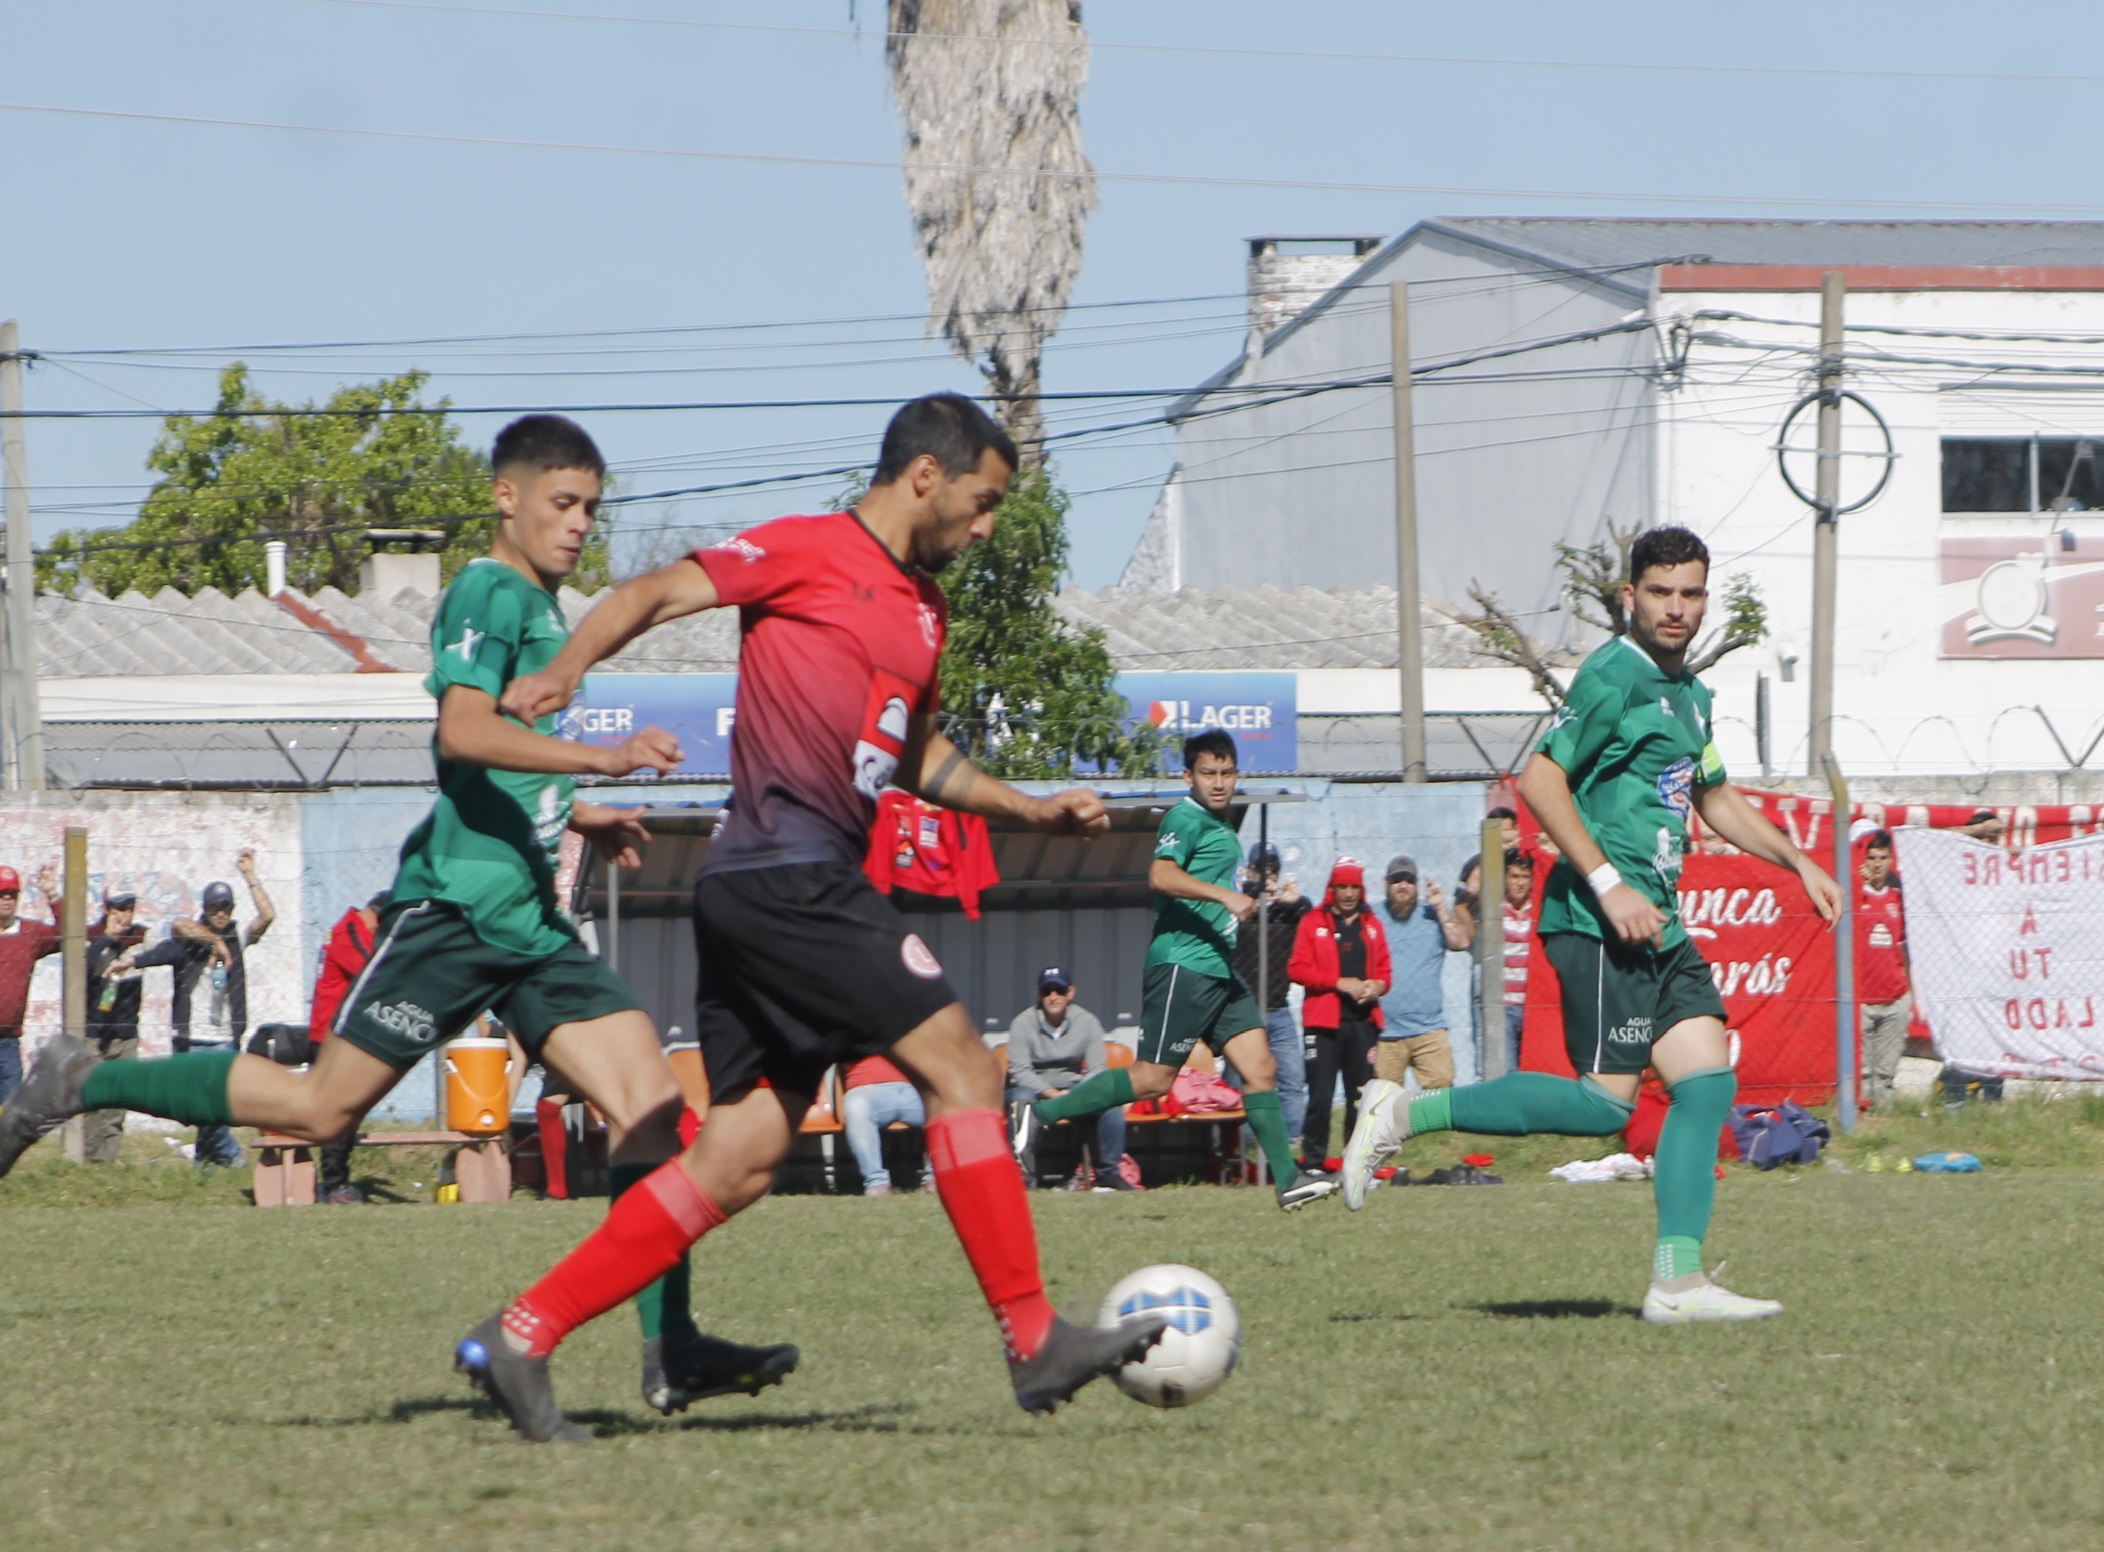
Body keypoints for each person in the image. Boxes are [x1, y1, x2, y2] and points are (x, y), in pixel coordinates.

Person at [0, 414, 797, 1436]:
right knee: (326, 1109)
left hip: (529, 925)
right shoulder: (486, 590)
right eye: (563, 503)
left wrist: (576, 810)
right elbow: (463, 732)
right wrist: (597, 762)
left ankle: (670, 1345)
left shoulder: (547, 607)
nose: (580, 525)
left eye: (593, 508)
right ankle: (80, 1076)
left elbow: (502, 757)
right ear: (506, 498)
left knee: (650, 1114)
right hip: (457, 912)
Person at [460, 393, 1167, 1435]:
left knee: (739, 1155)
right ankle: (1032, 1336)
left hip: (771, 888)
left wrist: (1028, 806)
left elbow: (916, 753)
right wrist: (567, 668)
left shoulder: (926, 610)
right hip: (789, 879)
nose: (986, 528)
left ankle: (521, 1333)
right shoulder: (802, 551)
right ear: (924, 475)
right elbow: (655, 590)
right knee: (967, 1067)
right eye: (982, 502)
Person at [1341, 525, 1841, 1323]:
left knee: (1707, 1081)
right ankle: (1400, 1110)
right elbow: (1540, 779)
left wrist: (1797, 860)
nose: (1676, 609)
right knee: (1605, 1106)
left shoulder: (1689, 694)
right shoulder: (1614, 675)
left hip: (1658, 922)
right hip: (1602, 918)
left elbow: (1712, 796)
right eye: (1660, 592)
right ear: (1629, 597)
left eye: (1690, 593)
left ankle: (1677, 1285)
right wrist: (1608, 885)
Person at [1026, 729, 1335, 1209]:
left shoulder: (1223, 827)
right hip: (1183, 965)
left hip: (1218, 970)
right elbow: (1161, 875)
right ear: (1187, 775)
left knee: (1261, 1068)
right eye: (1208, 773)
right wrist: (1227, 896)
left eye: (1226, 772)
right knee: (1152, 1079)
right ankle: (1042, 1114)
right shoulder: (1184, 817)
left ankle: (1289, 1179)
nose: (1218, 782)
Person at [164, 854, 276, 1168]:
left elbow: (267, 916)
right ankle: (223, 1154)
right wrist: (215, 943)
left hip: (224, 1035)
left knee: (215, 1102)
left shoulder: (238, 937)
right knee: (194, 1104)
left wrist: (250, 876)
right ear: (206, 909)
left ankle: (215, 1159)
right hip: (192, 1035)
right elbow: (177, 924)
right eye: (216, 907)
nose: (222, 913)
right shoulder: (191, 938)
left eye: (226, 907)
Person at [1289, 860, 1390, 1169]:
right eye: (1342, 887)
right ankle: (1315, 1161)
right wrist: (1337, 984)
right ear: (1331, 889)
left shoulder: (1372, 925)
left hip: (1363, 1023)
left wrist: (1377, 986)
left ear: (1362, 890)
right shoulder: (1312, 922)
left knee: (1361, 1097)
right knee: (1320, 1096)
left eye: (1354, 887)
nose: (1348, 894)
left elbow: (1386, 971)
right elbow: (1296, 969)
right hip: (1323, 1024)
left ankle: (1356, 1158)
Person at [1005, 967, 1131, 1191]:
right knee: (1020, 1100)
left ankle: (1108, 1173)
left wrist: (1077, 1094)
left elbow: (1096, 1068)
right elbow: (1020, 1071)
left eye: (1059, 991)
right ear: (1038, 994)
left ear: (1070, 993)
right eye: (1047, 991)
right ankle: (1023, 1176)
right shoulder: (1022, 1023)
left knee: (1111, 1102)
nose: (1053, 997)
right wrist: (1053, 1094)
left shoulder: (1087, 1021)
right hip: (1034, 1087)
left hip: (1074, 1086)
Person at [307, 891, 391, 1202]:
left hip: (341, 1036)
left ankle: (337, 1181)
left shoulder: (353, 929)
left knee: (348, 1112)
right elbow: (371, 975)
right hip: (332, 1036)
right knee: (338, 1112)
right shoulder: (350, 931)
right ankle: (333, 1186)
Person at [1229, 843, 1311, 1155]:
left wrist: (1296, 900)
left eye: (1272, 869)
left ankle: (1292, 1140)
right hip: (1243, 1010)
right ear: (1249, 870)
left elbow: (1314, 921)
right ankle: (1241, 1142)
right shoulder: (1239, 907)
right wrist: (1251, 895)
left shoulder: (1287, 912)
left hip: (1278, 1008)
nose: (1267, 874)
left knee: (1291, 1078)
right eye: (1260, 869)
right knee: (1239, 1080)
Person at [1369, 854, 1464, 1093]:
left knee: (1441, 1094)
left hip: (1429, 1030)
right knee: (1382, 1103)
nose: (1403, 885)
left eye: (1409, 880)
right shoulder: (1370, 917)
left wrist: (1441, 906)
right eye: (1397, 880)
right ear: (1386, 883)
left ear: (1417, 884)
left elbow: (1460, 942)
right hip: (1384, 1033)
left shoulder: (1432, 914)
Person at [1857, 831, 1911, 1111]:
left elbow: (1904, 947)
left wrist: (1907, 990)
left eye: (1883, 858)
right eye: (1871, 857)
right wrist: (1857, 885)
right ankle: (1863, 1126)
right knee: (1862, 1074)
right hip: (1862, 1000)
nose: (1877, 864)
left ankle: (1887, 1126)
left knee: (1885, 1075)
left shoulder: (1898, 900)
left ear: (1891, 861)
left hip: (1894, 997)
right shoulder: (1854, 898)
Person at [0, 864, 60, 1106]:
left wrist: (52, 894)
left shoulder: (29, 933)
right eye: (1, 894)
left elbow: (69, 936)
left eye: (11, 895)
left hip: (8, 1042)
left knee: (12, 1111)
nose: (6, 900)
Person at [840, 1054, 931, 1195]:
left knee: (945, 1108)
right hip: (866, 1088)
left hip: (915, 1087)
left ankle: (934, 1179)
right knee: (857, 1106)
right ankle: (877, 1183)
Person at [1500, 850, 1537, 1072]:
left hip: (1533, 1004)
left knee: (1532, 1069)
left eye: (1525, 877)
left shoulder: (1539, 910)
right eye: (1514, 877)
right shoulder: (1495, 911)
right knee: (1507, 1069)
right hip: (1504, 1005)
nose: (1520, 883)